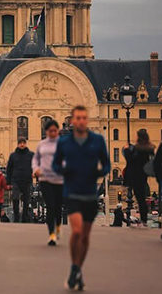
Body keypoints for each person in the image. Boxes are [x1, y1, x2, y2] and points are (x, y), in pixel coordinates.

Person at [53, 104, 110, 292]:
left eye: (84, 118)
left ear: (87, 120)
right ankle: (74, 267)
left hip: (90, 193)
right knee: (76, 231)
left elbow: (107, 164)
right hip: (72, 192)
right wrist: (64, 172)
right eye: (78, 118)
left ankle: (77, 269)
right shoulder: (64, 142)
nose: (81, 121)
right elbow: (55, 165)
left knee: (85, 236)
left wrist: (99, 173)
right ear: (72, 120)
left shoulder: (97, 141)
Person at [34, 118, 64, 245]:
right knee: (50, 206)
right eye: (50, 131)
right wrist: (36, 169)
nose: (52, 133)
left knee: (58, 206)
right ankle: (51, 234)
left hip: (59, 179)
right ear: (46, 131)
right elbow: (35, 159)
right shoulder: (41, 145)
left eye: (54, 131)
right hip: (45, 178)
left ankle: (58, 226)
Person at [122, 128, 155, 226]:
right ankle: (144, 219)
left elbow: (130, 160)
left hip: (136, 175)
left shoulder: (138, 149)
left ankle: (143, 219)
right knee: (141, 198)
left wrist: (126, 149)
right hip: (143, 175)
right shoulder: (148, 149)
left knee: (140, 198)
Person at [6, 136, 34, 223]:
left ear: (25, 144)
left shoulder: (31, 155)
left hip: (27, 180)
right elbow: (9, 169)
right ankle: (16, 217)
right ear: (18, 144)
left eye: (23, 143)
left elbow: (36, 165)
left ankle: (25, 218)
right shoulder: (13, 156)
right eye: (20, 143)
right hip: (16, 180)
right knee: (15, 199)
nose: (22, 145)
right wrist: (8, 182)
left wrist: (35, 173)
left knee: (26, 200)